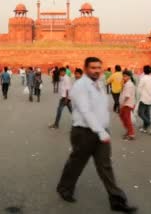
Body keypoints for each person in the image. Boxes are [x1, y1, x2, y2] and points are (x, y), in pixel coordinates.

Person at [56, 57, 136, 213]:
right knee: (77, 163)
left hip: (101, 131)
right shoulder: (81, 86)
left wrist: (105, 128)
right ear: (85, 69)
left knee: (105, 166)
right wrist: (101, 131)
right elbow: (85, 111)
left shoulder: (98, 84)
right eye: (93, 67)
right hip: (84, 132)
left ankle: (117, 200)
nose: (97, 70)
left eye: (99, 67)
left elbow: (101, 109)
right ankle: (64, 188)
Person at [136, 65, 151, 134]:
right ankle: (145, 128)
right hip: (150, 99)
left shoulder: (143, 78)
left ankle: (150, 124)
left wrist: (137, 98)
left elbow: (139, 89)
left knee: (140, 113)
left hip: (143, 99)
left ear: (144, 71)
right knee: (147, 114)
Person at [119, 71, 136, 141]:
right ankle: (129, 131)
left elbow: (127, 96)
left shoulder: (129, 85)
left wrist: (122, 104)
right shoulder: (127, 84)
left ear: (129, 76)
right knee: (123, 117)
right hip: (126, 104)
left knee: (127, 119)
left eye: (125, 76)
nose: (124, 77)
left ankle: (131, 133)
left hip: (127, 104)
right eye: (123, 76)